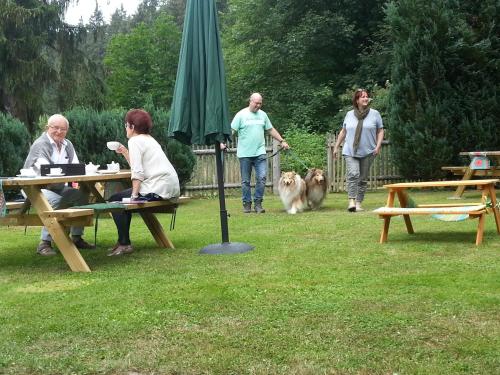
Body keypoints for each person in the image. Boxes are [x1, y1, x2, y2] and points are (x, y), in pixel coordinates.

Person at [108, 109, 180, 256]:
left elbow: (138, 173)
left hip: (158, 187)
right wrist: (125, 152)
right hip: (169, 186)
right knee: (118, 199)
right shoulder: (149, 139)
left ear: (132, 126)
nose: (125, 128)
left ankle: (124, 243)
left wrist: (134, 196)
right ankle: (123, 241)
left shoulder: (134, 140)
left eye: (126, 125)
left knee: (114, 200)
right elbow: (138, 166)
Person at [23, 114, 95, 256]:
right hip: (35, 187)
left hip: (57, 186)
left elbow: (75, 167)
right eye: (55, 128)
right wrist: (67, 171)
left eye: (63, 129)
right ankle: (45, 242)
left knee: (81, 195)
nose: (59, 132)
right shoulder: (40, 144)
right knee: (56, 201)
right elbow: (45, 172)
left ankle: (76, 237)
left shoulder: (68, 144)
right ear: (47, 128)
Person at [230, 93, 289, 213]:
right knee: (246, 181)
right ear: (250, 101)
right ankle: (247, 204)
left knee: (261, 178)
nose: (258, 105)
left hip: (260, 153)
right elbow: (232, 130)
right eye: (256, 103)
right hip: (245, 154)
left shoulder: (263, 115)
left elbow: (270, 129)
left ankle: (258, 203)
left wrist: (282, 141)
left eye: (260, 103)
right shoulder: (241, 115)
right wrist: (223, 142)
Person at [333, 89, 384, 212]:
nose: (365, 99)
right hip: (350, 150)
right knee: (353, 174)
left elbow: (380, 130)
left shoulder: (375, 114)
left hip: (368, 151)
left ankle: (359, 202)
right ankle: (351, 201)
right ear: (357, 100)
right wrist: (336, 147)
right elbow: (343, 131)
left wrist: (377, 146)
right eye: (362, 97)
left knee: (362, 178)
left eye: (367, 97)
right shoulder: (349, 114)